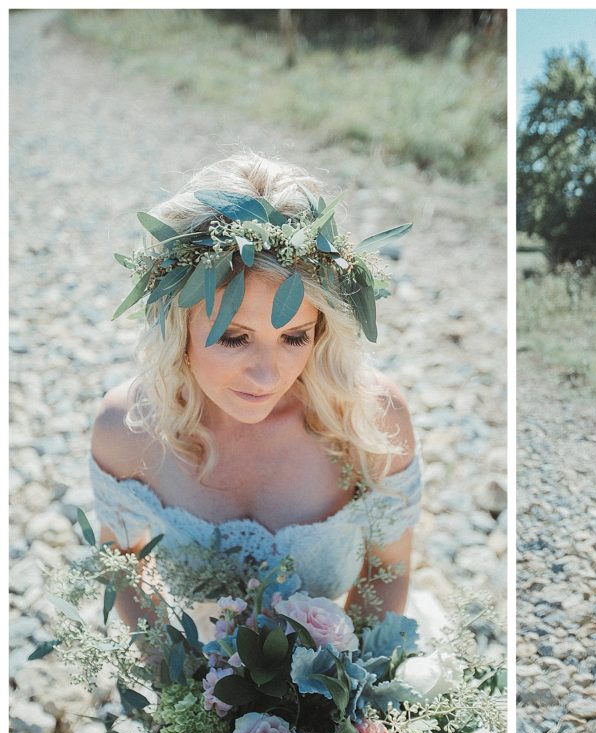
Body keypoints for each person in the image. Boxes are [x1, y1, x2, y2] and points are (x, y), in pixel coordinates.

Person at [90, 152, 421, 638]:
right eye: (233, 337)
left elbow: (388, 571)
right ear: (178, 324)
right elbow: (120, 561)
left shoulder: (370, 420)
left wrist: (342, 695)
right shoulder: (126, 429)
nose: (267, 377)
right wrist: (172, 674)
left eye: (294, 338)